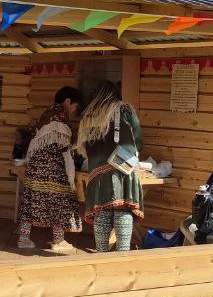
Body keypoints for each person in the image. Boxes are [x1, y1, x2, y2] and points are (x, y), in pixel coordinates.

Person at [76, 83, 144, 252]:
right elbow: (138, 142)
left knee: (102, 211)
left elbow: (82, 149)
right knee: (122, 209)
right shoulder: (124, 110)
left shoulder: (88, 117)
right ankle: (122, 254)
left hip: (96, 172)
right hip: (123, 169)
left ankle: (102, 253)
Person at [15, 86, 83, 254]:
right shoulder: (59, 117)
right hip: (52, 168)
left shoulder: (47, 114)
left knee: (30, 201)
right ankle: (58, 240)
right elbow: (63, 144)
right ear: (68, 101)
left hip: (35, 167)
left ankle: (23, 238)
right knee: (58, 201)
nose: (74, 110)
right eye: (75, 106)